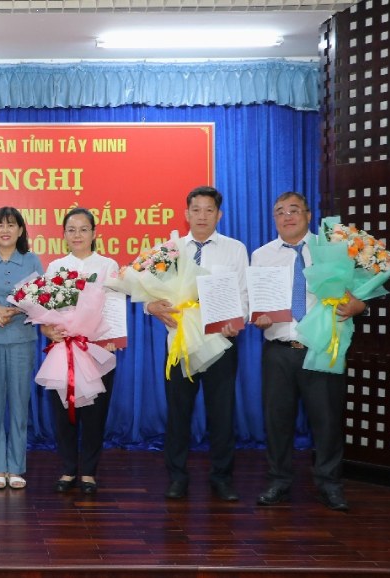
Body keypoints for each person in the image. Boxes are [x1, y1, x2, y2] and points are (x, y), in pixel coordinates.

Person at [252, 192, 364, 511]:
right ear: (274, 218)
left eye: (294, 210)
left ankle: (329, 484)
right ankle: (278, 482)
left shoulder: (332, 250)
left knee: (327, 421)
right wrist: (256, 316)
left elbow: (356, 293)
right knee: (277, 422)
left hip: (322, 348)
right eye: (280, 211)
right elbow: (253, 300)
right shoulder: (261, 255)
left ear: (308, 214)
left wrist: (358, 306)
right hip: (278, 351)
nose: (287, 216)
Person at [146, 186, 248, 502]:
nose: (202, 216)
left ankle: (222, 478)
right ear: (186, 214)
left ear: (219, 214)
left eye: (209, 210)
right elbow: (149, 292)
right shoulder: (170, 249)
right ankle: (177, 477)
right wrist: (151, 306)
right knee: (179, 414)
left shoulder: (235, 249)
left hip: (221, 342)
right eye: (196, 209)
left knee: (222, 414)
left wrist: (238, 321)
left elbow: (244, 294)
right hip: (181, 343)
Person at [41, 207, 120, 495]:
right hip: (64, 348)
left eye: (83, 229)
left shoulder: (108, 265)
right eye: (71, 230)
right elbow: (45, 309)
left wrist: (112, 337)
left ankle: (88, 471)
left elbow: (114, 306)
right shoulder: (55, 267)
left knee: (95, 413)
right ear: (63, 235)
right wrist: (48, 330)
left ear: (94, 233)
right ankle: (67, 469)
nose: (77, 235)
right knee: (63, 411)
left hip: (98, 348)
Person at [0, 207, 43, 490]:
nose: (5, 230)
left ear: (21, 230)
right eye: (0, 225)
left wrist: (15, 310)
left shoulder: (31, 261)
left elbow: (40, 298)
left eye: (11, 225)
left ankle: (15, 467)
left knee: (18, 404)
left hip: (22, 340)